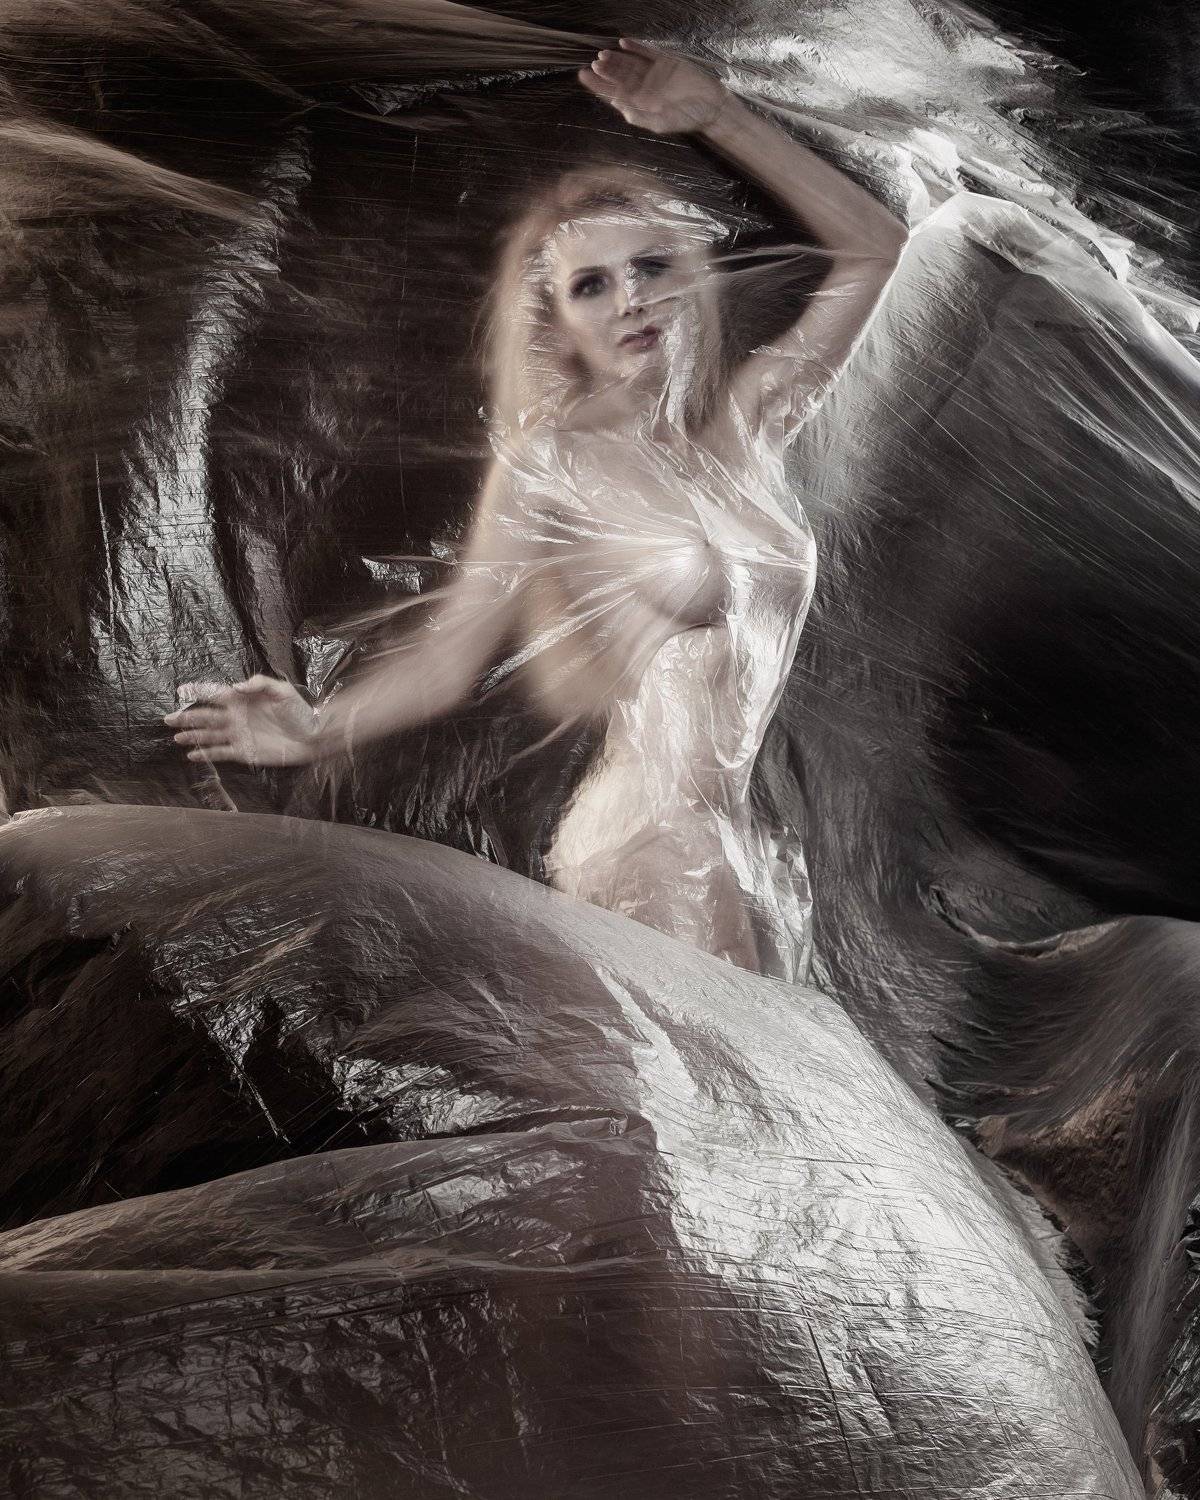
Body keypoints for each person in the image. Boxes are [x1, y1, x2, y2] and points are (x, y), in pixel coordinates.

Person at [165, 39, 907, 979]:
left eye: (651, 266)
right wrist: (317, 726)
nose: (631, 299)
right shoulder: (553, 462)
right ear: (558, 325)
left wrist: (716, 114)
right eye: (592, 285)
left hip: (731, 840)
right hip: (646, 841)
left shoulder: (748, 430)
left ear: (693, 279)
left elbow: (875, 250)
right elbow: (449, 655)